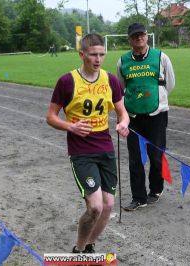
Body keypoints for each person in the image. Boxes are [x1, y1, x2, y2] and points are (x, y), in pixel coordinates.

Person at [46, 33, 130, 253]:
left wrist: (123, 123)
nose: (98, 59)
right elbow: (51, 117)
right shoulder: (67, 81)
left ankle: (89, 247)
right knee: (95, 206)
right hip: (81, 151)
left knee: (108, 205)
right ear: (81, 54)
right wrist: (70, 126)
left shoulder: (111, 80)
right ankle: (79, 250)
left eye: (102, 54)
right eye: (93, 54)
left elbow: (123, 113)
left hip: (105, 148)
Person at [117, 23, 175, 211]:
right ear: (130, 39)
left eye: (141, 35)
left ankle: (156, 189)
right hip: (132, 116)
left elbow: (170, 84)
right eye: (135, 36)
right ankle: (138, 197)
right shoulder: (122, 61)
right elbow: (121, 87)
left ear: (147, 36)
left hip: (157, 115)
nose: (139, 38)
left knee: (156, 156)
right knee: (135, 158)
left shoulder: (161, 57)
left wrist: (158, 100)